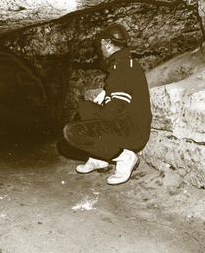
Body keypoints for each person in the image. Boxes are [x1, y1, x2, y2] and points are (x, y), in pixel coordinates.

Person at [63, 23, 152, 185]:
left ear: (107, 43)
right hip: (128, 124)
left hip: (132, 131)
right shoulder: (123, 64)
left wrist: (88, 127)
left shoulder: (122, 67)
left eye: (101, 45)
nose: (100, 49)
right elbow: (121, 93)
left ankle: (126, 158)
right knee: (85, 106)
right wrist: (107, 93)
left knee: (72, 132)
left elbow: (114, 110)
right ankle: (99, 158)